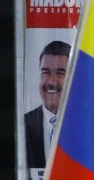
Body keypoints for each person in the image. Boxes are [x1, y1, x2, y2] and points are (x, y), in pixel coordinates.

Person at [23, 38, 72, 167]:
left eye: (60, 73)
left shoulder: (90, 126)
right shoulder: (23, 125)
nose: (51, 82)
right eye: (45, 73)